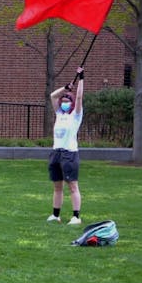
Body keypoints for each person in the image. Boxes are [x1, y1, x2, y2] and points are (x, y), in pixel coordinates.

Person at [47, 67, 85, 225]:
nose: (63, 103)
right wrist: (65, 88)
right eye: (63, 101)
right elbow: (52, 96)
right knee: (57, 186)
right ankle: (56, 215)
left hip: (69, 154)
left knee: (72, 186)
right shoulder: (59, 115)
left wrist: (81, 78)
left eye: (67, 101)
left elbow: (80, 97)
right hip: (56, 153)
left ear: (71, 104)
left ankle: (76, 216)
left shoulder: (75, 116)